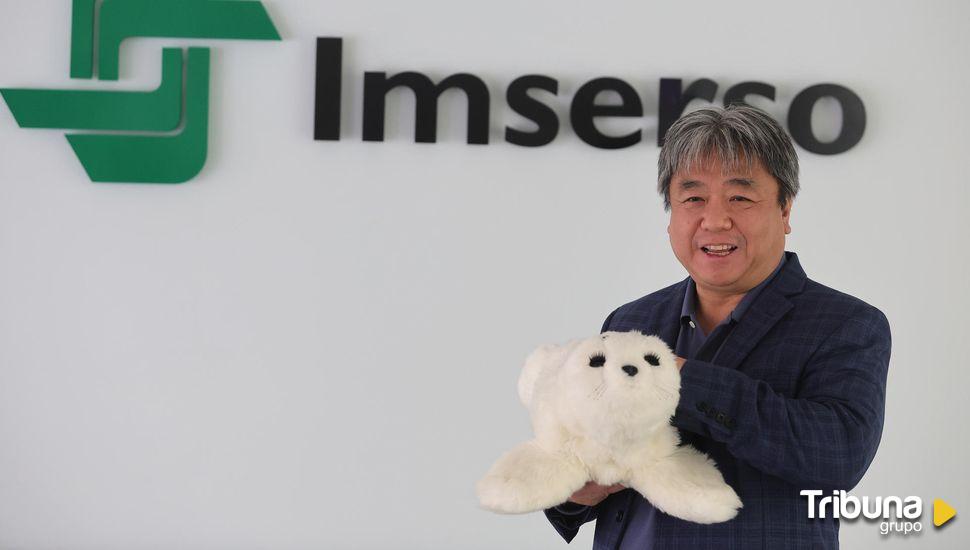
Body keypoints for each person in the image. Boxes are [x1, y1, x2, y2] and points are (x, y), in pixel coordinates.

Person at [543, 105, 891, 549]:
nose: (715, 219)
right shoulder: (631, 320)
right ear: (671, 215)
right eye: (693, 198)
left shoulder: (847, 323)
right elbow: (578, 453)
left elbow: (838, 454)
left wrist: (677, 379)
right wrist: (575, 491)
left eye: (740, 197)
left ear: (785, 210)